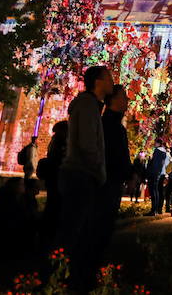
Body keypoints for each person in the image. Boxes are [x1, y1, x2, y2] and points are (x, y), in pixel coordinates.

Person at [56, 66, 110, 291]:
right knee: (74, 229)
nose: (112, 82)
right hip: (81, 175)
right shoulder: (87, 105)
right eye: (109, 78)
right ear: (98, 81)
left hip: (81, 174)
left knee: (74, 227)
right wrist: (100, 171)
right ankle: (62, 277)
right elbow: (88, 144)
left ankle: (64, 274)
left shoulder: (90, 105)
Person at [98, 84, 131, 249]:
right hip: (107, 183)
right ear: (113, 100)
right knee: (101, 229)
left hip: (113, 182)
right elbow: (114, 155)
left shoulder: (116, 125)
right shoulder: (108, 126)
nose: (127, 99)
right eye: (124, 96)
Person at [38, 120, 68, 249]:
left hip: (53, 178)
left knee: (52, 205)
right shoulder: (61, 142)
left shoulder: (54, 141)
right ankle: (49, 236)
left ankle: (46, 235)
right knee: (55, 206)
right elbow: (60, 160)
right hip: (57, 177)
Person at [145, 137, 169, 216]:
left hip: (153, 173)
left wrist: (150, 161)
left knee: (153, 191)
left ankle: (153, 210)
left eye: (155, 142)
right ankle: (155, 209)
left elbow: (154, 164)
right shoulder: (164, 152)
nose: (154, 144)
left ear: (158, 143)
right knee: (156, 191)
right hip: (158, 173)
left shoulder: (157, 151)